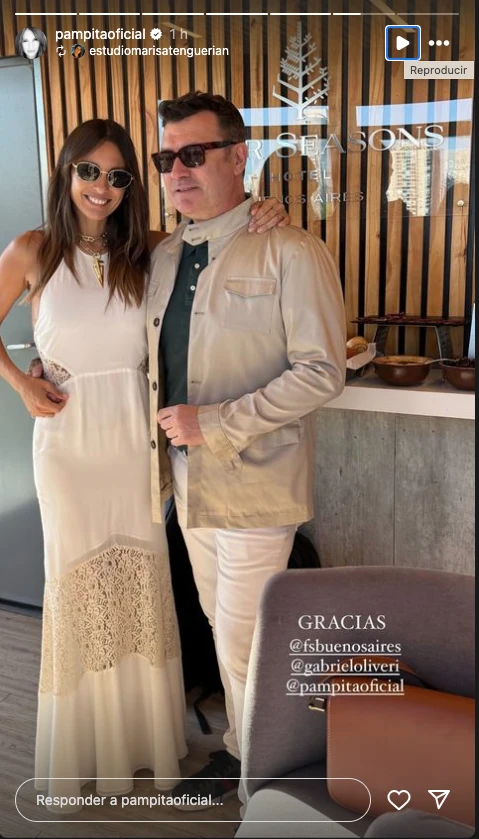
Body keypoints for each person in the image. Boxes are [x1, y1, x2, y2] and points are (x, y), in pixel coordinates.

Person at [0, 117, 288, 813]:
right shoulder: (33, 249)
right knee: (80, 587)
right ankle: (85, 750)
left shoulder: (152, 248)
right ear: (65, 172)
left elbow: (220, 235)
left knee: (141, 587)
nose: (101, 187)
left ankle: (143, 744)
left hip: (135, 441)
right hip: (68, 444)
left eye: (117, 175)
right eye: (88, 171)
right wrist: (19, 383)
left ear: (131, 184)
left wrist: (265, 211)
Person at [147, 91, 346, 808]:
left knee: (245, 639)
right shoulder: (163, 256)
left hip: (257, 481)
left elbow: (322, 371)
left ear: (238, 157)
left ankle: (268, 777)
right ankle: (247, 756)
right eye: (166, 157)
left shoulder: (291, 248)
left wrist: (218, 422)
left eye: (195, 154)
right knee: (219, 622)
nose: (178, 170)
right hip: (186, 479)